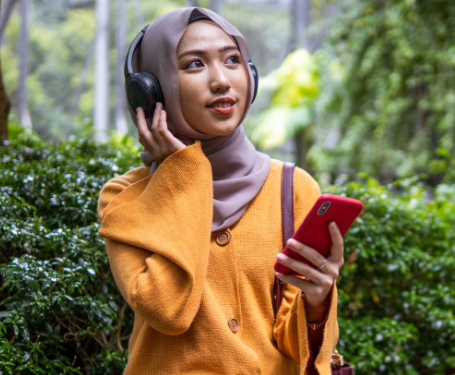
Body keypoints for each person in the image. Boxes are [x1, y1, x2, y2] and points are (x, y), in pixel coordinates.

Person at [97, 7, 345, 374]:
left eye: (232, 60)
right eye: (195, 64)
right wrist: (184, 175)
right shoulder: (125, 198)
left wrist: (319, 300)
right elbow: (169, 310)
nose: (222, 81)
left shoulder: (293, 189)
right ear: (152, 91)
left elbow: (302, 350)